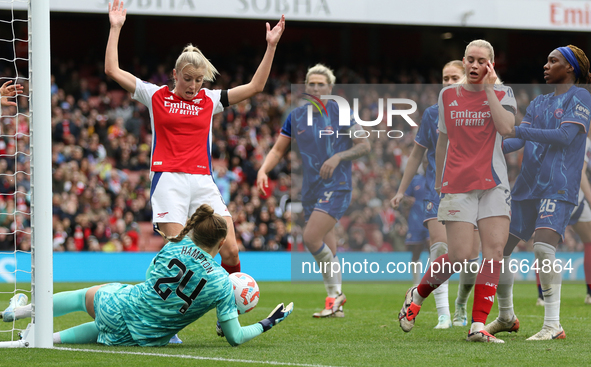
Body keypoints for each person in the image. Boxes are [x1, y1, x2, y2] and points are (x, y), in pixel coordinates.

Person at [104, 0, 285, 275]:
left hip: (202, 180)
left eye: (199, 80)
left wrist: (271, 46)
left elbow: (256, 86)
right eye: (187, 78)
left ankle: (229, 313)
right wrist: (115, 28)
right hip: (168, 179)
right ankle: (161, 310)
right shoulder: (155, 95)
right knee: (179, 257)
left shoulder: (210, 100)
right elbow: (113, 71)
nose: (193, 86)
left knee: (231, 249)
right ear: (175, 74)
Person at [1, 204, 293, 346]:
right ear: (220, 244)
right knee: (118, 324)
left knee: (88, 296)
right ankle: (43, 339)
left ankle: (19, 312)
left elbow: (150, 278)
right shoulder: (220, 283)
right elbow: (235, 338)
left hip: (118, 308)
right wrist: (269, 321)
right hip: (147, 338)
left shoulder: (173, 246)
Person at [398, 39, 516, 343]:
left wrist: (489, 90)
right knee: (461, 255)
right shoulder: (447, 95)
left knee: (494, 252)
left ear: (491, 65)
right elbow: (442, 141)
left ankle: (477, 326)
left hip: (494, 182)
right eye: (471, 60)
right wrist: (439, 180)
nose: (475, 66)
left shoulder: (504, 93)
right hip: (458, 183)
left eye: (482, 61)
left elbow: (506, 129)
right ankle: (418, 292)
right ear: (464, 62)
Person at [484, 45, 591, 340]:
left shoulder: (581, 97)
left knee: (543, 248)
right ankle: (506, 316)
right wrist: (486, 151)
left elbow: (565, 136)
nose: (546, 65)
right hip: (526, 188)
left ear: (569, 68)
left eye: (553, 61)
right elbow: (516, 142)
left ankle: (552, 325)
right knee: (499, 250)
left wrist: (517, 130)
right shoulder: (539, 103)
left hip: (557, 185)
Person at [257, 64, 370, 317]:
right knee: (328, 247)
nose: (316, 88)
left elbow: (364, 145)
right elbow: (278, 150)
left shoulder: (342, 112)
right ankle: (334, 302)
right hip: (310, 189)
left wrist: (338, 156)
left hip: (337, 185)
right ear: (305, 87)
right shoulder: (295, 116)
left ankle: (336, 296)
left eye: (321, 84)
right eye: (311, 83)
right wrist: (264, 169)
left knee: (310, 238)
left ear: (330, 88)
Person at [391, 60, 480, 330]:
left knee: (469, 259)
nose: (449, 82)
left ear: (466, 79)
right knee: (441, 247)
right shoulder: (432, 113)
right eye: (445, 78)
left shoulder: (479, 111)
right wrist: (401, 190)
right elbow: (417, 153)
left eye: (455, 77)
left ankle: (461, 304)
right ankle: (442, 314)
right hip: (437, 189)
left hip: (471, 190)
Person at [537, 134, 591, 306]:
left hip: (551, 194)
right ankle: (589, 293)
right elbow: (580, 173)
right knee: (588, 241)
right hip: (573, 197)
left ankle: (542, 295)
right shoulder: (582, 137)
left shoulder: (556, 133)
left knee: (544, 245)